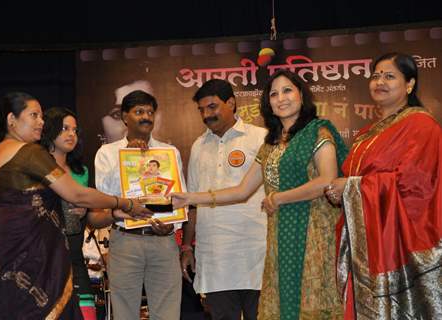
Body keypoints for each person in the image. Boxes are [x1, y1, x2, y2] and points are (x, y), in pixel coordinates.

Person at [172, 69, 348, 320]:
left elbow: (327, 181)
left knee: (312, 297)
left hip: (312, 231)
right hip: (279, 234)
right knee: (280, 305)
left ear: (301, 95)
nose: (281, 98)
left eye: (287, 90)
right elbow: (242, 191)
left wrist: (279, 198)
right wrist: (190, 198)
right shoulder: (271, 143)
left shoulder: (318, 132)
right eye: (274, 93)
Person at [0, 92, 151, 319]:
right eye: (33, 115)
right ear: (11, 120)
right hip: (27, 262)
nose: (41, 122)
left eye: (42, 117)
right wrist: (124, 203)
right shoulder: (29, 152)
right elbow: (76, 194)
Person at [325, 52, 442, 319]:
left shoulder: (422, 126)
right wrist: (343, 190)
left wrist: (352, 187)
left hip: (397, 245)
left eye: (389, 76)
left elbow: (417, 186)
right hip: (367, 243)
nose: (380, 82)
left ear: (409, 84)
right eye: (375, 76)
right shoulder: (366, 134)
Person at [180, 79, 267, 320]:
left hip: (256, 251)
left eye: (212, 107)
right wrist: (187, 246)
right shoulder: (198, 145)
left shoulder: (260, 138)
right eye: (201, 110)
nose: (206, 115)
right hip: (215, 256)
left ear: (231, 103)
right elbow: (194, 203)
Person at [95, 89, 185, 320]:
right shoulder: (107, 153)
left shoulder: (169, 152)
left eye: (150, 112)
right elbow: (103, 197)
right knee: (125, 313)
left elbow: (179, 198)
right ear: (125, 117)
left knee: (168, 314)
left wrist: (172, 226)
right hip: (125, 241)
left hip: (163, 242)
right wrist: (129, 158)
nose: (146, 116)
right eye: (139, 111)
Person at [40, 107, 97, 319]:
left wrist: (87, 208)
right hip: (42, 262)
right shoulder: (35, 169)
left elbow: (95, 216)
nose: (71, 134)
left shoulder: (82, 172)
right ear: (49, 130)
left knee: (86, 313)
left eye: (74, 130)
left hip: (74, 259)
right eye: (65, 128)